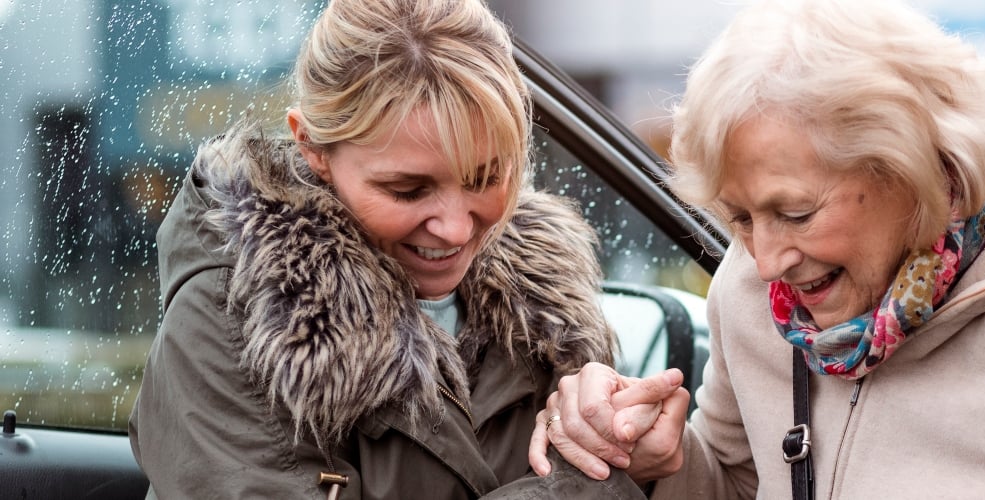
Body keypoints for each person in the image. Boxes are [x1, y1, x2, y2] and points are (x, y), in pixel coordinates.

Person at [528, 0, 985, 497]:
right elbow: (743, 487)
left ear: (913, 166)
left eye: (796, 212)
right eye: (741, 216)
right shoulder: (753, 295)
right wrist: (656, 463)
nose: (766, 260)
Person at [128, 0, 641, 497]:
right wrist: (596, 486)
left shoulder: (547, 311)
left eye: (487, 177)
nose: (457, 229)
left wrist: (632, 447)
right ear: (312, 146)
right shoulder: (233, 316)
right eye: (408, 190)